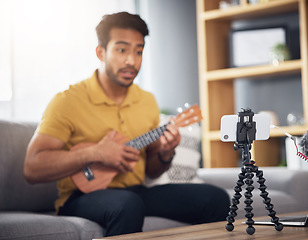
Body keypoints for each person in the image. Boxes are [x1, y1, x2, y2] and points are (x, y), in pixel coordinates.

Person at [24, 11, 229, 237]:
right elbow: (32, 168)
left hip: (136, 192)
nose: (132, 60)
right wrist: (95, 153)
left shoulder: (147, 101)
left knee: (214, 198)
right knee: (127, 204)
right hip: (79, 197)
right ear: (100, 52)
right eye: (122, 50)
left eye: (138, 51)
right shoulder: (67, 101)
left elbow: (152, 170)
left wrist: (165, 153)